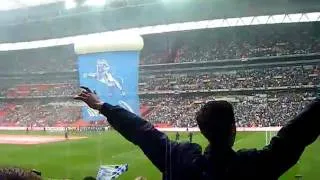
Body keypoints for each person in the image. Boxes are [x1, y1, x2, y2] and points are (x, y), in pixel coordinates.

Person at [75, 87, 320, 180]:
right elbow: (292, 138)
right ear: (233, 130)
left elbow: (143, 132)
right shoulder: (253, 167)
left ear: (201, 131)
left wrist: (102, 106)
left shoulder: (179, 160)